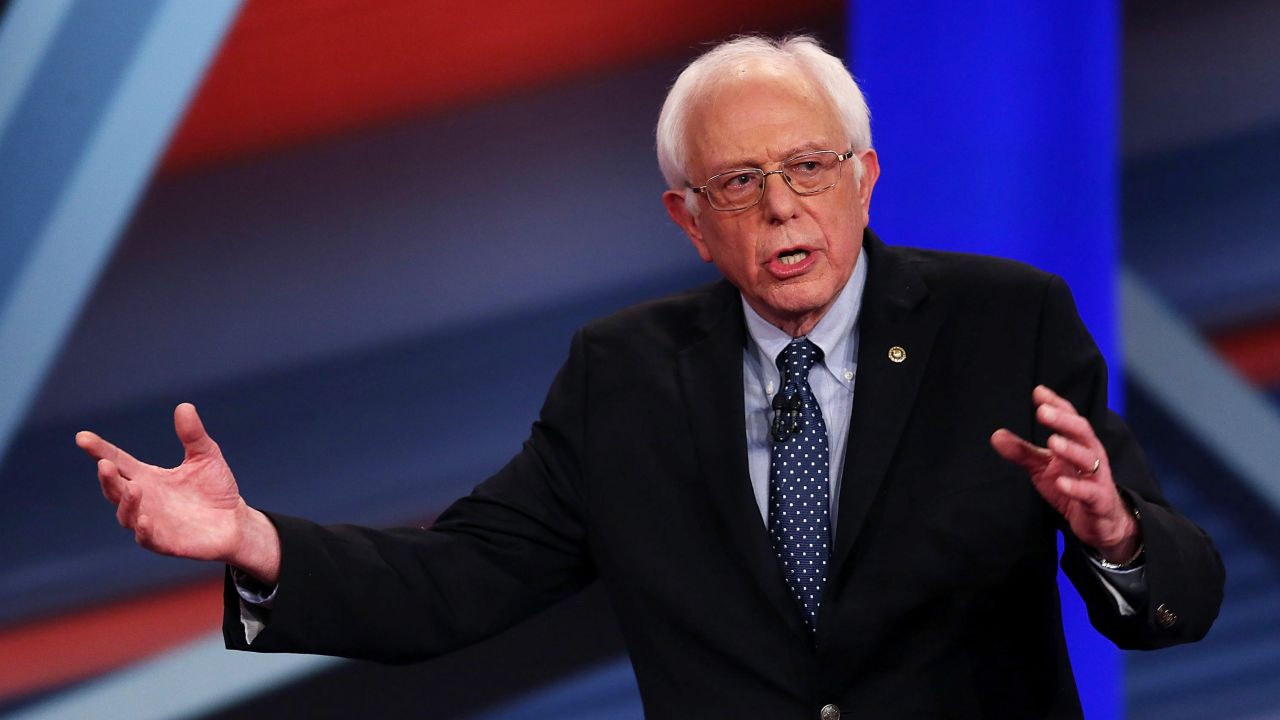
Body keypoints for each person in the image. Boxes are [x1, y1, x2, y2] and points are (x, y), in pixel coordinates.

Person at [78, 35, 1223, 718]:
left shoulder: (1002, 323)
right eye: (736, 184)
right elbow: (460, 580)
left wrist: (1117, 538)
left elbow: (1180, 599)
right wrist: (253, 544)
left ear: (864, 177)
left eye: (808, 168)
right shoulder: (622, 376)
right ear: (685, 219)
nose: (780, 207)